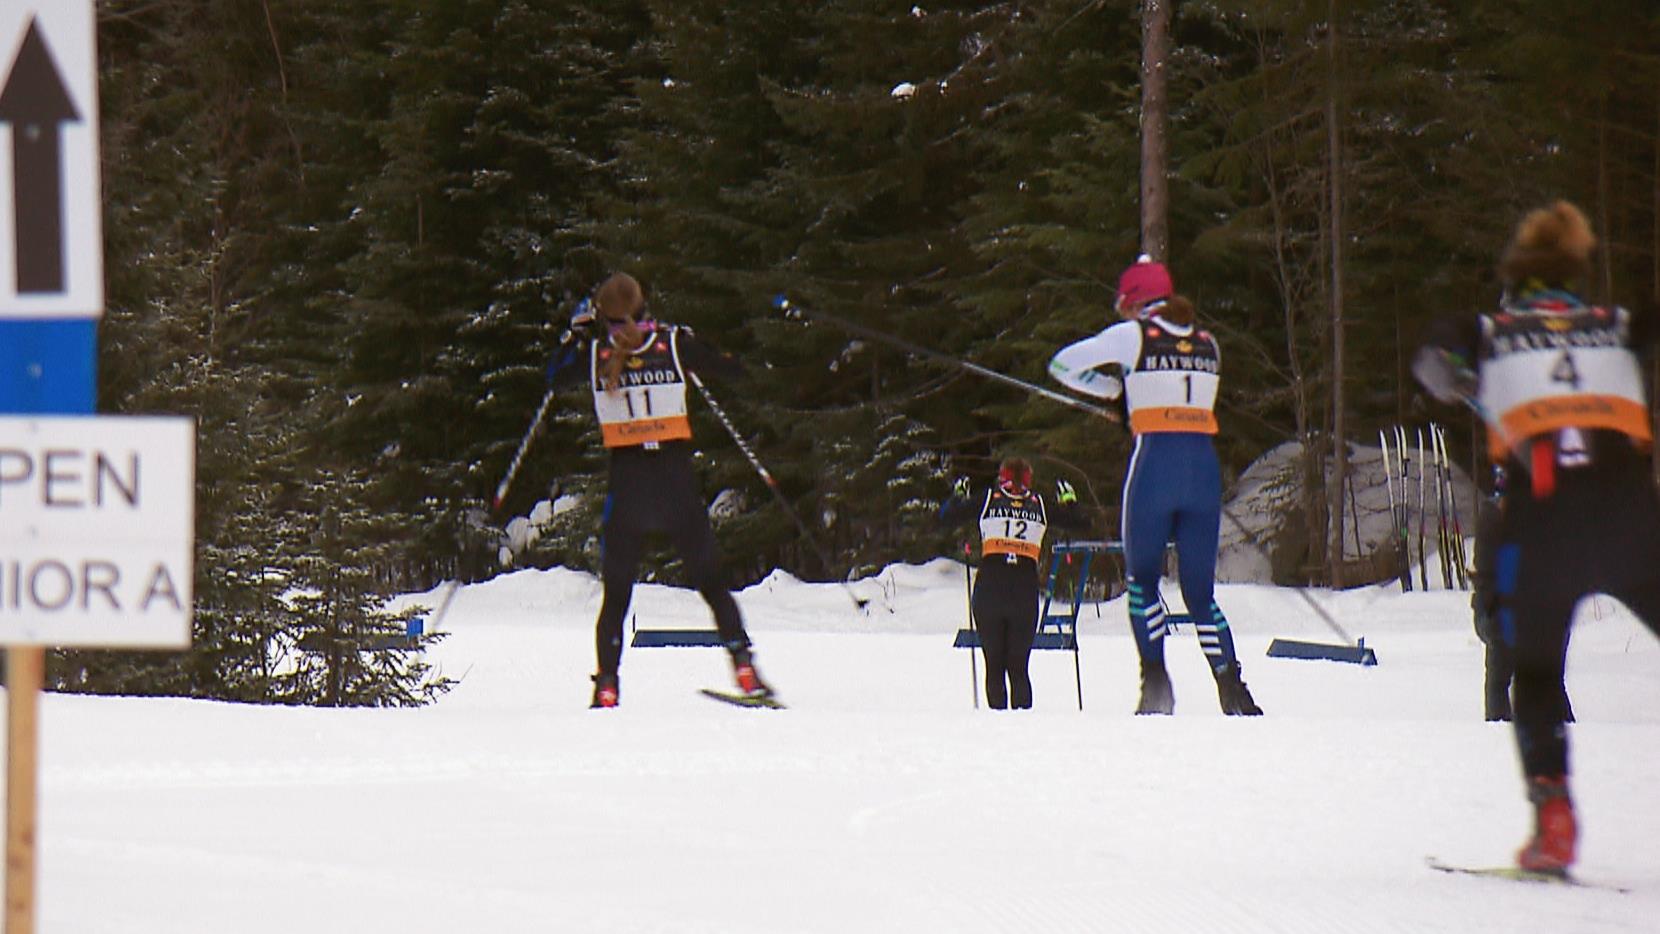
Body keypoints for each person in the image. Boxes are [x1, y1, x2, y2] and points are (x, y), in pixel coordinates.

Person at [1413, 200, 1659, 874]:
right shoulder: (1615, 323)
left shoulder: (1493, 327)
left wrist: (1467, 382)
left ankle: (1554, 819)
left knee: (1536, 673)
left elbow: (1433, 360)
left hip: (1541, 515)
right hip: (1631, 512)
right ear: (1576, 275)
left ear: (1516, 277)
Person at [1046, 256, 1262, 716]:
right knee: (1200, 594)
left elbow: (1063, 365)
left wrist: (1113, 392)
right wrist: (1134, 394)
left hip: (1155, 468)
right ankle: (1232, 688)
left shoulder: (1133, 336)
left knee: (1142, 581)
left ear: (1136, 303)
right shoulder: (1209, 343)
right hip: (1203, 471)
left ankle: (1157, 686)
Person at [545, 272, 772, 708]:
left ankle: (607, 685)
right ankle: (744, 669)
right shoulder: (672, 344)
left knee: (616, 594)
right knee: (710, 583)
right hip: (675, 481)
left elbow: (553, 378)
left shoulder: (594, 355)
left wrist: (573, 337)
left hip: (628, 483)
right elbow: (733, 368)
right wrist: (692, 344)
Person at [941, 458, 1088, 709]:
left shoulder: (988, 498)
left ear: (1002, 477)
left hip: (990, 591)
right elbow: (1081, 524)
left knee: (995, 665)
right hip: (1023, 593)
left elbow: (946, 518)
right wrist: (1070, 503)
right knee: (1018, 667)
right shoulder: (1039, 504)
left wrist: (956, 497)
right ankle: (1022, 731)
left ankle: (1000, 730)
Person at [1469, 465, 1574, 724]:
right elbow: (1487, 576)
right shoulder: (1493, 517)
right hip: (1499, 611)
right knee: (1502, 672)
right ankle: (1499, 725)